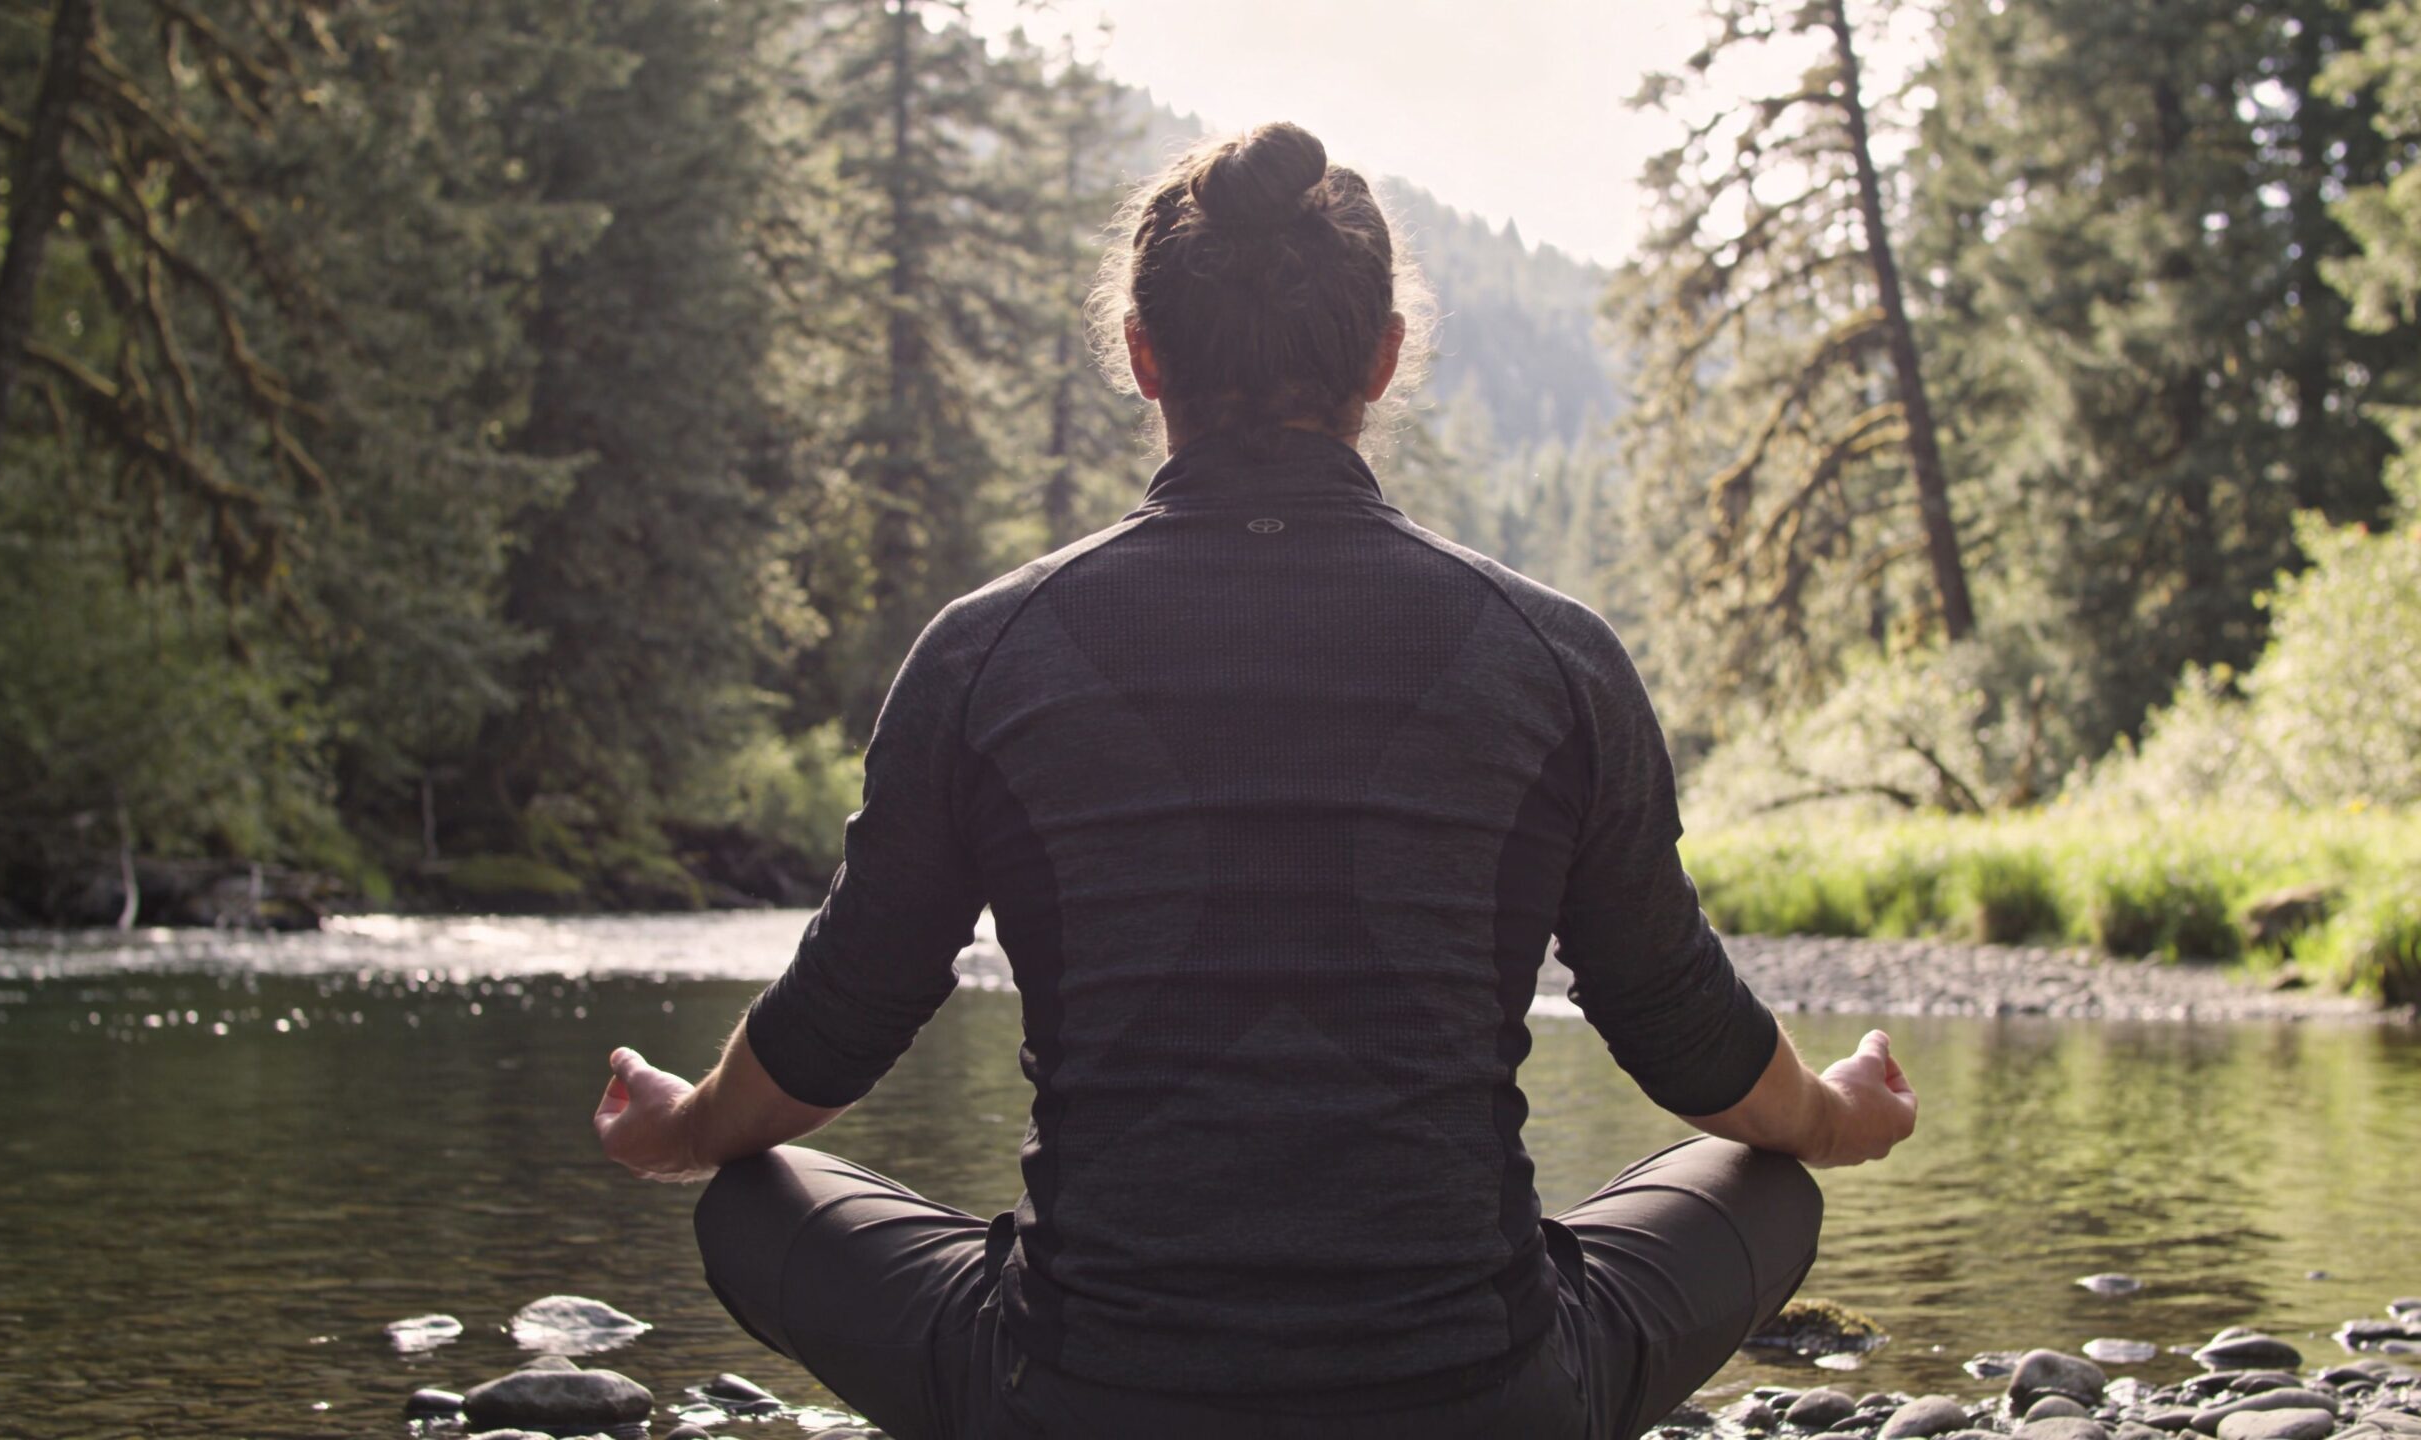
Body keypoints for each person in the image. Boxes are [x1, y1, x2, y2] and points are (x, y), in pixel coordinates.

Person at [594, 121, 1918, 1440]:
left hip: (1079, 1406)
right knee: (1773, 1187)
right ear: (1386, 359)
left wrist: (692, 1123)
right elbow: (1681, 1026)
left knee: (748, 1199)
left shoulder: (987, 654)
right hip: (1486, 1405)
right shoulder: (1553, 657)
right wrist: (1834, 1116)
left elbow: (842, 1018)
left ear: (1142, 352)